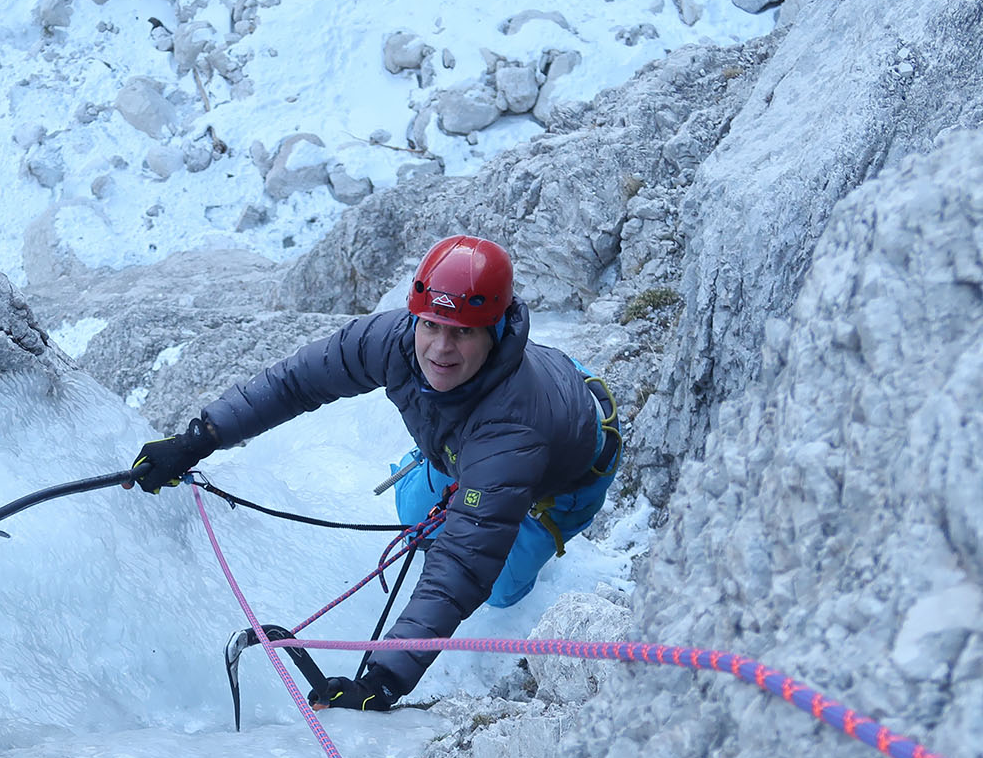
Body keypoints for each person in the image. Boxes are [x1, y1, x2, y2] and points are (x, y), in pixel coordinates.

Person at [127, 236, 621, 711]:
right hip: (475, 439)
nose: (441, 348)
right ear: (414, 317)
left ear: (493, 333)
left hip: (566, 471)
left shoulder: (512, 432)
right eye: (431, 325)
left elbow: (464, 565)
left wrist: (386, 678)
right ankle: (474, 495)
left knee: (498, 586)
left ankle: (509, 519)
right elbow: (297, 381)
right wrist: (199, 439)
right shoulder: (394, 340)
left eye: (463, 332)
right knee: (415, 513)